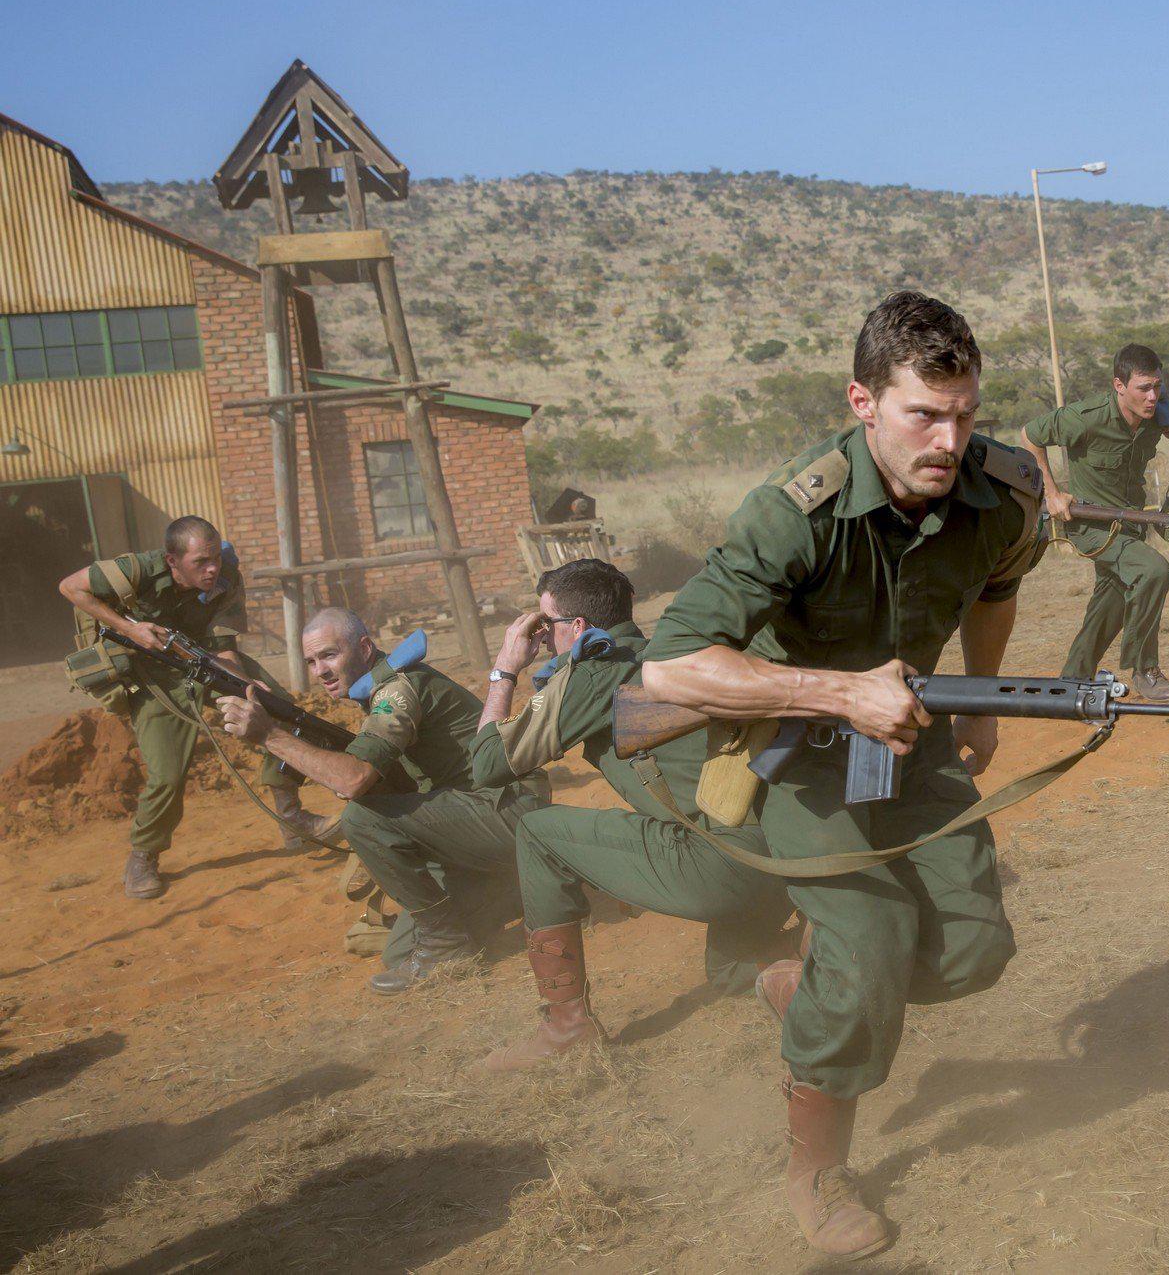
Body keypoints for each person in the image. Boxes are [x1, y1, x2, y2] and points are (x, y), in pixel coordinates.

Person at [636, 290, 1043, 1258]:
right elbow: (668, 669)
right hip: (796, 753)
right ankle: (815, 1172)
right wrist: (838, 693)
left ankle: (807, 987)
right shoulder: (792, 514)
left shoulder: (997, 493)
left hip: (911, 737)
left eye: (964, 414)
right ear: (861, 402)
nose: (948, 439)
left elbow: (998, 585)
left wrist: (979, 698)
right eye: (923, 414)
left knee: (977, 946)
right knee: (867, 933)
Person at [471, 557, 794, 1072]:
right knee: (731, 969)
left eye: (545, 625)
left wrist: (505, 666)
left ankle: (566, 1025)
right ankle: (819, 971)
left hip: (722, 867)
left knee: (536, 832)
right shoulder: (668, 653)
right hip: (780, 864)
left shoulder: (593, 672)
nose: (541, 637)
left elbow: (487, 763)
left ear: (577, 627)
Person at [218, 607, 544, 995]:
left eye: (329, 655)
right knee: (400, 950)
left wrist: (270, 736)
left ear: (364, 647)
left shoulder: (396, 690)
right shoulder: (377, 690)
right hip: (477, 819)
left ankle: (447, 942)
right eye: (311, 661)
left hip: (509, 811)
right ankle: (525, 892)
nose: (320, 671)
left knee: (361, 819)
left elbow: (353, 780)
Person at [57, 515, 333, 900]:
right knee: (168, 772)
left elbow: (222, 644)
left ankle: (292, 819)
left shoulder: (226, 578)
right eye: (200, 562)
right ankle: (144, 856)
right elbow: (70, 587)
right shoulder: (137, 570)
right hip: (154, 676)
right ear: (173, 561)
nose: (211, 568)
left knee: (281, 711)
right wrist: (129, 628)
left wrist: (243, 684)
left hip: (205, 660)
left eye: (215, 558)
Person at [1018, 344, 1169, 700]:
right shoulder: (1086, 417)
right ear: (1119, 385)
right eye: (1143, 388)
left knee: (1115, 599)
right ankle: (1145, 668)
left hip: (1130, 524)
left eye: (1157, 386)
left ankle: (1073, 679)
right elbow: (1030, 436)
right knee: (1153, 571)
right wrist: (1052, 492)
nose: (1152, 397)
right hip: (1092, 526)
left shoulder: (1158, 409)